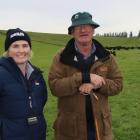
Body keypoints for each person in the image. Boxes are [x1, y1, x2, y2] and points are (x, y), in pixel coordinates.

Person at [48, 12, 123, 140]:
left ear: (93, 30)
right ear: (72, 32)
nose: (83, 30)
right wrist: (82, 78)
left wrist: (98, 84)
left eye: (87, 26)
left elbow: (118, 84)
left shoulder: (106, 56)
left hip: (100, 128)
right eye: (78, 27)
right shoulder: (61, 56)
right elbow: (55, 87)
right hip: (70, 131)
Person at [0, 28, 47, 140]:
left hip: (37, 134)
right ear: (8, 50)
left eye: (25, 45)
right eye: (15, 46)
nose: (21, 50)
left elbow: (42, 100)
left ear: (30, 49)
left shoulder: (37, 75)